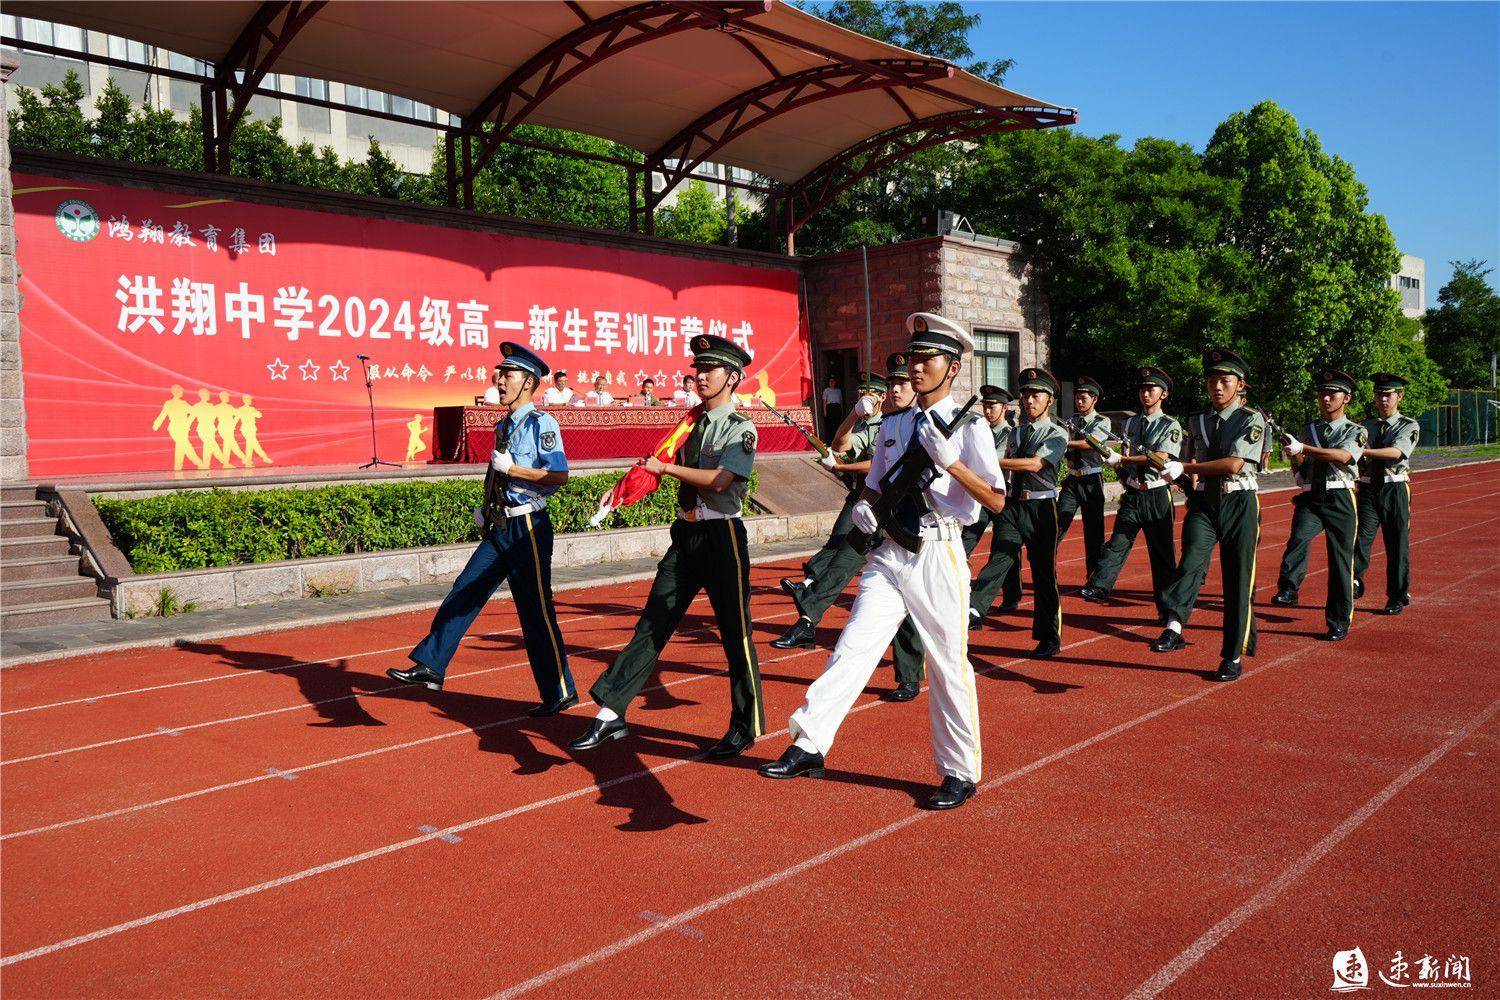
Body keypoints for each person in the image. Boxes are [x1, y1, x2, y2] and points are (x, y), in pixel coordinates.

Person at [758, 313, 1003, 811]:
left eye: (927, 359)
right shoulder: (893, 423)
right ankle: (810, 743)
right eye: (913, 358)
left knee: (947, 663)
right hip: (890, 551)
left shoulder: (971, 426)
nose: (916, 367)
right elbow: (876, 484)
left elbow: (995, 499)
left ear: (953, 367)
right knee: (852, 647)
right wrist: (866, 507)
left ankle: (959, 771)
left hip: (937, 551)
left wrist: (951, 462)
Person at [570, 334, 765, 759]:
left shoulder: (740, 428)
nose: (701, 376)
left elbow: (720, 481)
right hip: (686, 536)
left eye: (710, 369)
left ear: (733, 377)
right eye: (698, 369)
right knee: (653, 623)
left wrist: (667, 469)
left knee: (736, 634)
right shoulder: (689, 424)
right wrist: (622, 490)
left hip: (722, 538)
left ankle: (744, 725)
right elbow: (657, 463)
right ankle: (611, 711)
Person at [388, 342, 577, 716]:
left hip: (528, 526)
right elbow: (496, 473)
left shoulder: (542, 423)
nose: (499, 381)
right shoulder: (503, 425)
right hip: (501, 523)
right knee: (465, 588)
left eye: (508, 375)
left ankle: (559, 691)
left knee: (535, 610)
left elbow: (559, 476)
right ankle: (431, 665)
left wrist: (514, 470)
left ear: (528, 383)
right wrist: (487, 504)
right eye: (499, 374)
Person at [1150, 348, 1267, 682]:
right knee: (1191, 561)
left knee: (1238, 580)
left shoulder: (1251, 419)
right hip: (1204, 502)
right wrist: (1177, 475)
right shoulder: (1197, 420)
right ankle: (1174, 626)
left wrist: (1184, 467)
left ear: (1240, 384)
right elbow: (1192, 460)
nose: (1217, 386)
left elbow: (1233, 463)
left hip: (1239, 502)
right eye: (1212, 380)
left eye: (1224, 380)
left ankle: (1232, 655)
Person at [967, 368, 1069, 656]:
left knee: (1043, 573)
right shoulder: (1018, 432)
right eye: (1025, 395)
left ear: (1049, 400)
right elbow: (1005, 469)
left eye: (1035, 395)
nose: (1029, 400)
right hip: (1013, 505)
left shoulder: (1057, 433)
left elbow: (1035, 464)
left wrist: (990, 460)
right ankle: (975, 608)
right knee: (1000, 555)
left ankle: (1049, 637)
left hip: (1041, 508)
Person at [1270, 368, 1367, 641]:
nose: (1325, 398)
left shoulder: (1356, 430)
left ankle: (1338, 620)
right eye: (1322, 393)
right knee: (1298, 539)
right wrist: (1294, 458)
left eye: (1332, 394)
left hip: (1340, 496)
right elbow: (1302, 464)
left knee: (1340, 560)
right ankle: (1288, 588)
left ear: (1346, 398)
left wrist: (1304, 448)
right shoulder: (1308, 429)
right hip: (1312, 495)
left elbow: (1342, 456)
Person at [1080, 366, 1182, 618]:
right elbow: (1122, 458)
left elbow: (1159, 457)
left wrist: (1122, 460)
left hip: (1157, 495)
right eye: (1142, 389)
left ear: (1164, 394)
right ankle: (1099, 586)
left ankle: (1168, 611)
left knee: (1161, 555)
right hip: (1134, 494)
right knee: (1117, 542)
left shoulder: (1170, 425)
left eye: (1151, 389)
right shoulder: (1130, 423)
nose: (1145, 394)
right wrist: (1122, 473)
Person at [1353, 373, 1419, 615]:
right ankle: (1354, 580)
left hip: (1394, 488)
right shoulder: (1364, 426)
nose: (1383, 399)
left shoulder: (1408, 425)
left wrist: (1362, 452)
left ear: (1399, 397)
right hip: (1368, 488)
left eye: (1388, 394)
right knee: (1360, 538)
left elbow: (1396, 453)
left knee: (1397, 544)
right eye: (1379, 394)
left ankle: (1397, 596)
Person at [1057, 376, 1115, 580]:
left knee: (1094, 532)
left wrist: (1064, 443)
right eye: (1077, 398)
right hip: (1072, 479)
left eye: (1084, 398)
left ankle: (1093, 578)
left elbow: (1091, 443)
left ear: (1094, 399)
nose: (1079, 402)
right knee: (1058, 523)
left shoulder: (1102, 421)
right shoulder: (1071, 421)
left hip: (1091, 480)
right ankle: (1045, 570)